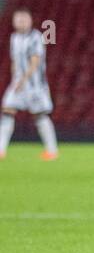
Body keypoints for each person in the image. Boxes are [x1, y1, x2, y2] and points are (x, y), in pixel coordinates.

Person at [0, 8, 57, 160]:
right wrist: (14, 81)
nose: (21, 22)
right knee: (7, 111)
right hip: (18, 83)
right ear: (14, 22)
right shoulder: (14, 38)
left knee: (40, 116)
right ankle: (1, 149)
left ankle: (52, 151)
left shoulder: (36, 37)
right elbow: (14, 62)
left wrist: (23, 80)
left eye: (24, 19)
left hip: (35, 86)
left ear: (30, 21)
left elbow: (35, 62)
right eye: (18, 20)